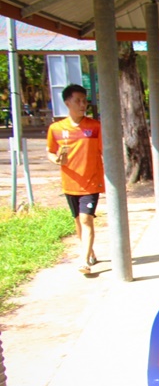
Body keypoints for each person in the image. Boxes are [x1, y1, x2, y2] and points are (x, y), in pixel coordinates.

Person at [46, 84, 105, 275]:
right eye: (77, 101)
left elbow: (106, 151)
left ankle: (84, 261)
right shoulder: (56, 128)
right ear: (67, 103)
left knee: (87, 219)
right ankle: (90, 252)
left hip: (91, 182)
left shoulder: (95, 127)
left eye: (84, 101)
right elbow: (50, 152)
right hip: (70, 183)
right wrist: (57, 159)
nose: (82, 104)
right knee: (78, 221)